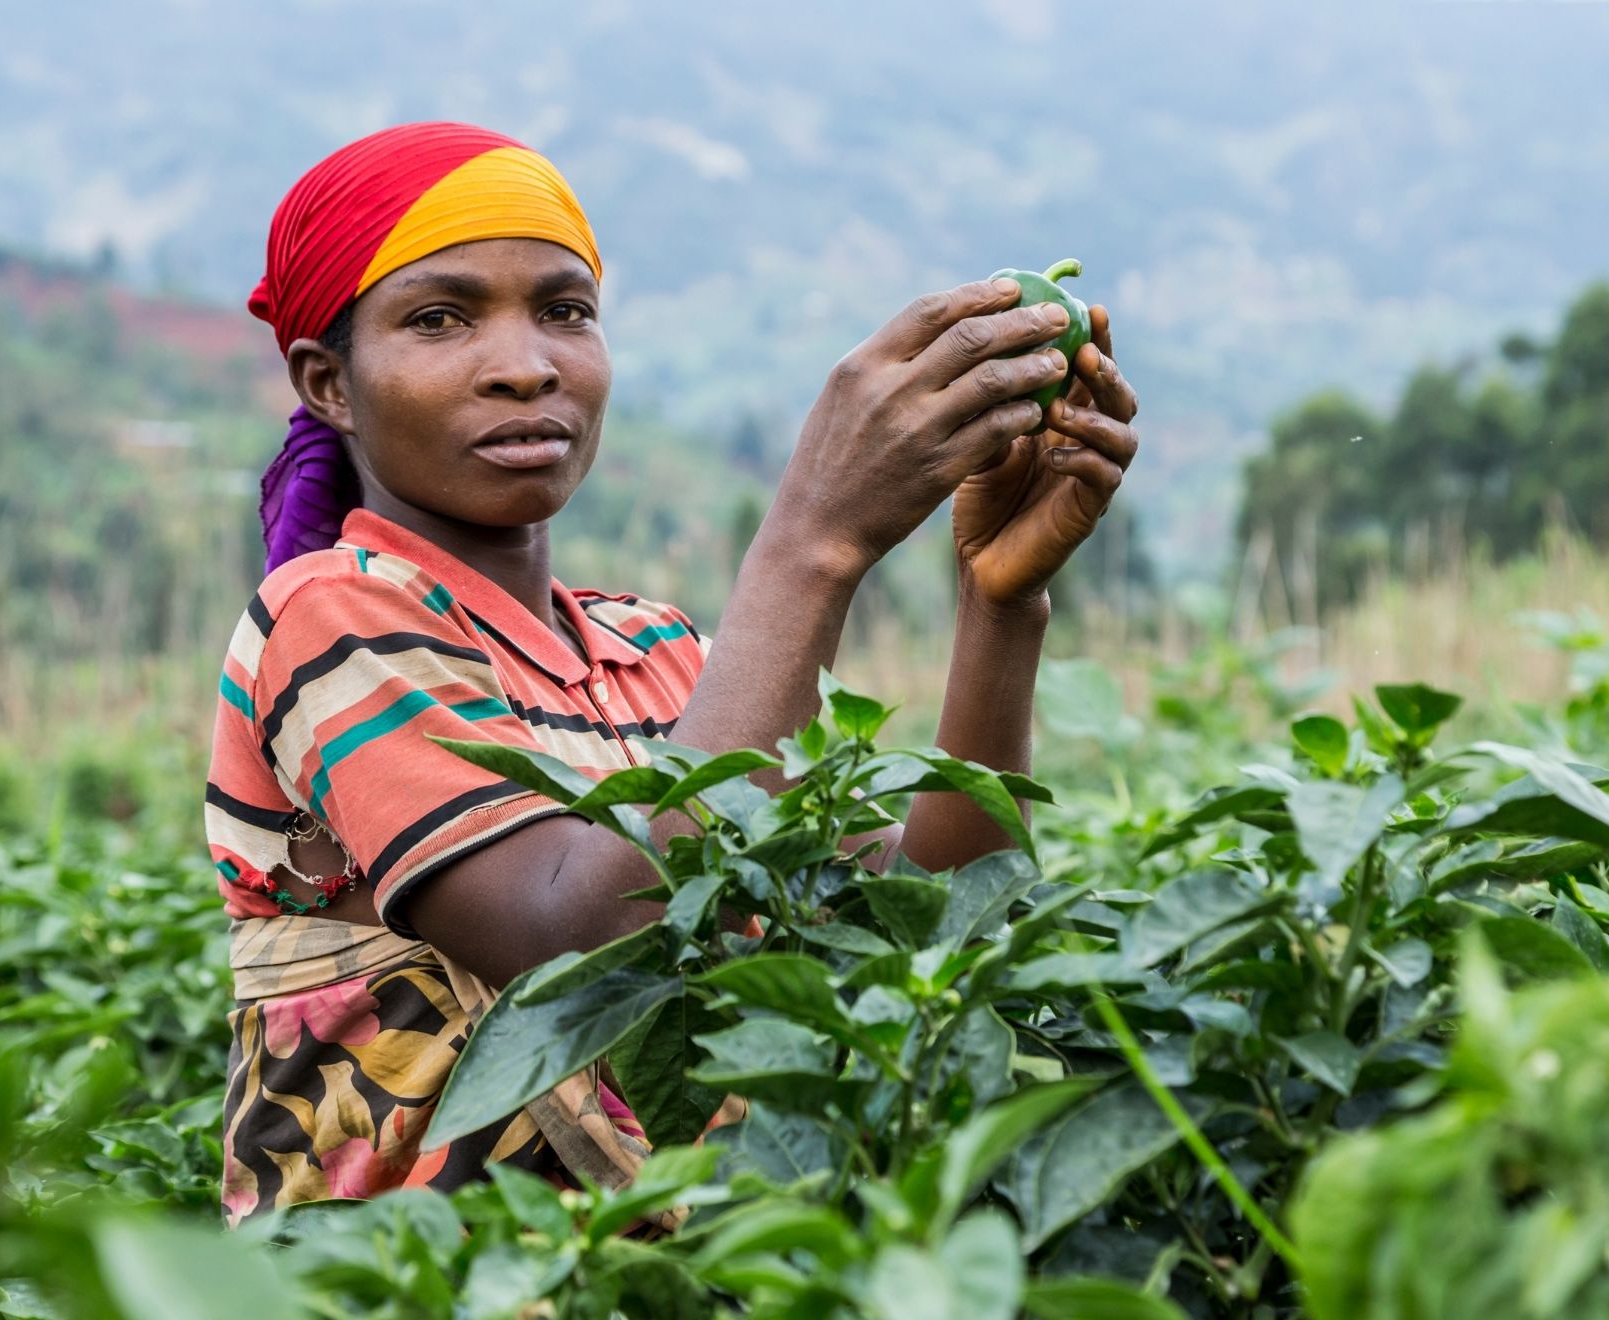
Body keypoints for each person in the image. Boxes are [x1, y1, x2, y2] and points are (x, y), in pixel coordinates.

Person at [204, 122, 1140, 1224]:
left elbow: (929, 922)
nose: (526, 364)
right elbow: (567, 938)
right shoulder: (330, 612)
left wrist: (1000, 606)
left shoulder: (661, 651)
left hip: (672, 1265)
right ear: (331, 386)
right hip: (416, 1282)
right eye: (440, 318)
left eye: (565, 310)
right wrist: (813, 541)